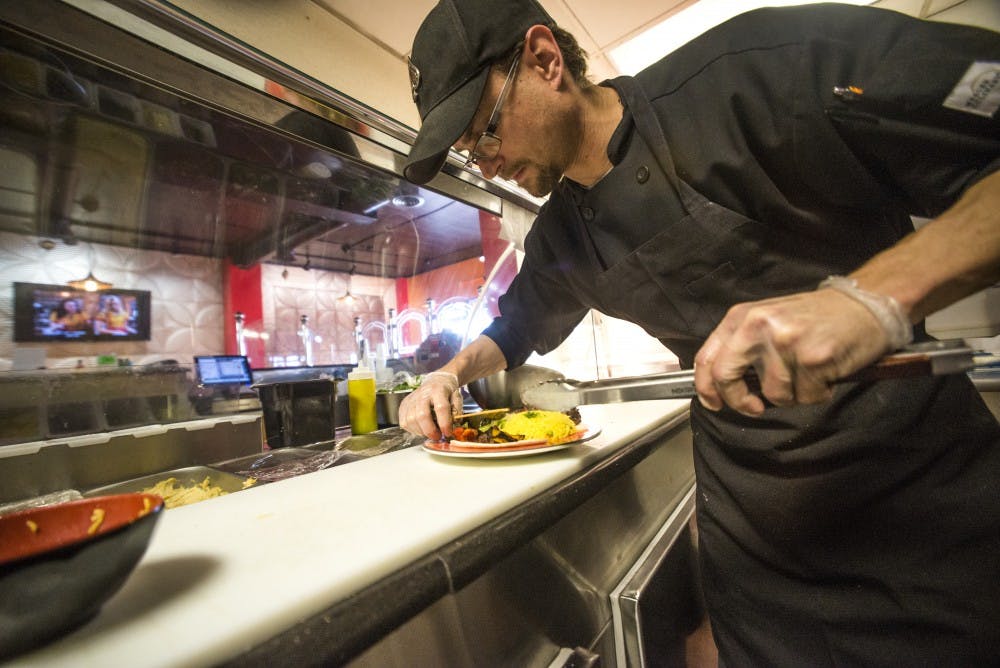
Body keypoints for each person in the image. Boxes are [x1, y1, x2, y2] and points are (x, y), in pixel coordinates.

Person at [396, 0, 1000, 664]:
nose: (484, 163)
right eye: (467, 152)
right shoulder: (562, 237)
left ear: (543, 60)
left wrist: (868, 300)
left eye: (484, 132)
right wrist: (449, 373)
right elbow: (514, 329)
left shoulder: (759, 70)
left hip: (924, 510)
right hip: (760, 554)